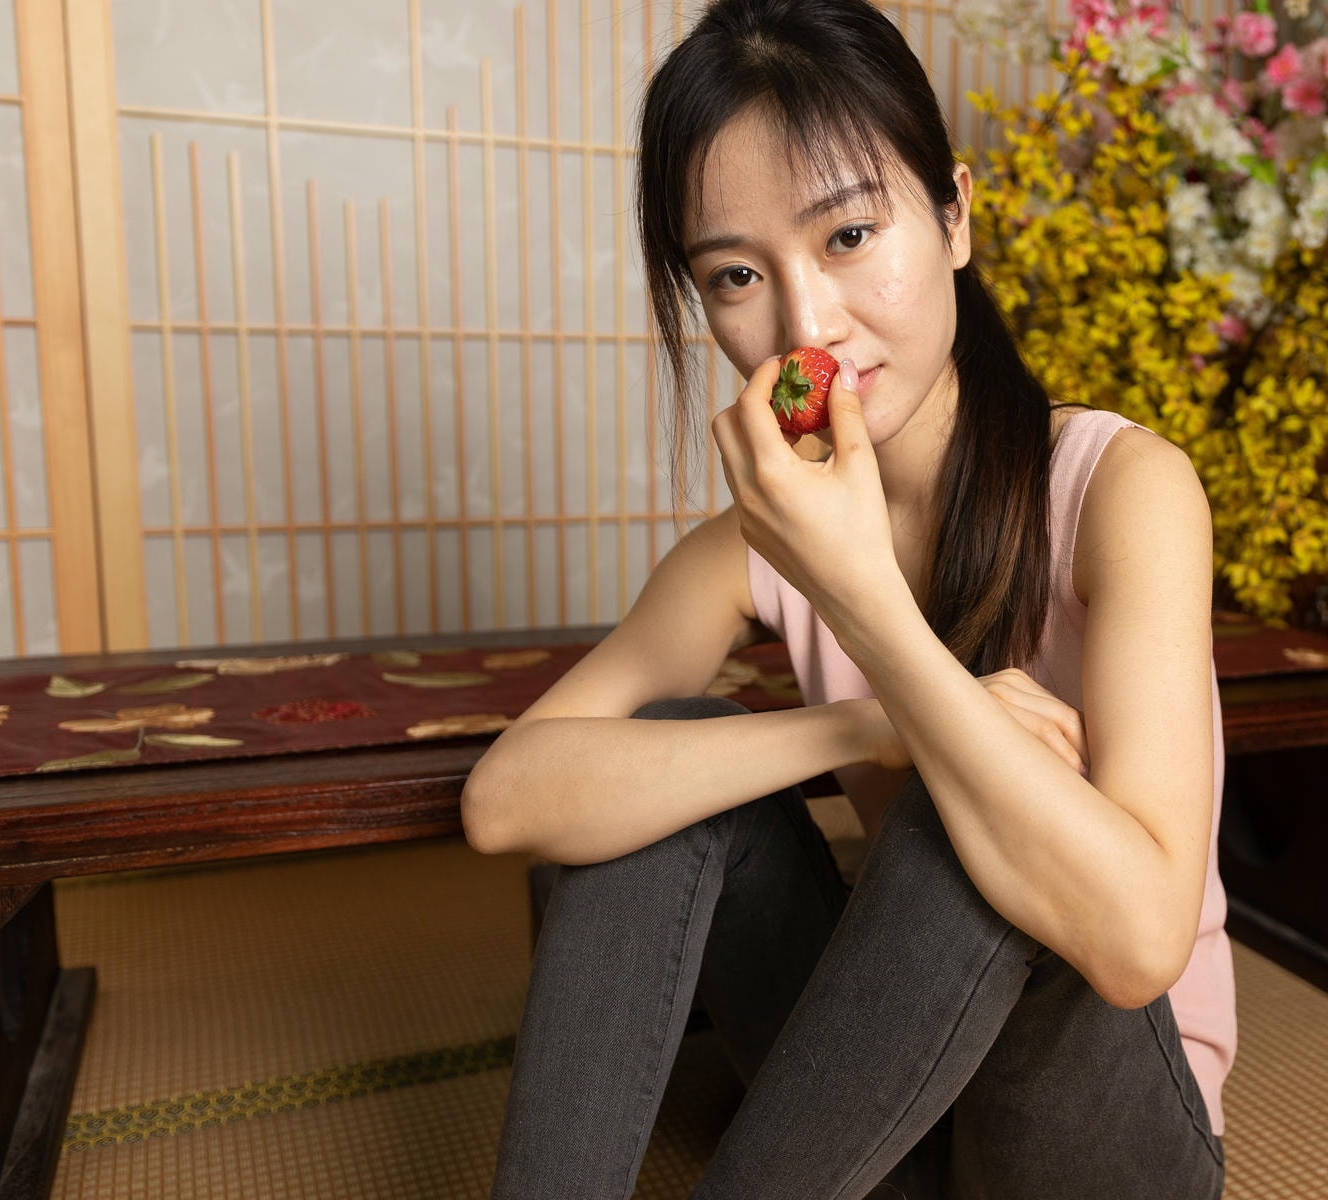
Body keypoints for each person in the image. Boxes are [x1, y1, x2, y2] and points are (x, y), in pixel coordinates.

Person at [460, 0, 1234, 1193]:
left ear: (955, 215)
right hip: (888, 1115)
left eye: (851, 234)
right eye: (735, 274)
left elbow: (1136, 944)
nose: (808, 325)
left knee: (970, 817)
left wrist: (866, 604)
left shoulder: (1122, 490)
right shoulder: (756, 542)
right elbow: (507, 798)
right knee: (666, 765)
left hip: (1098, 1134)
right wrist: (860, 729)